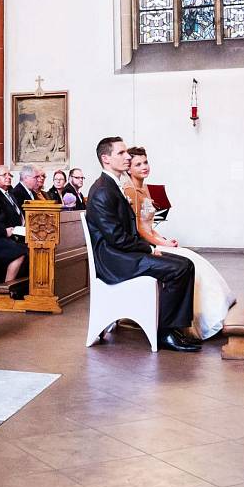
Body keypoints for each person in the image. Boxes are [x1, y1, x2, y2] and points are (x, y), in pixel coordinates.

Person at [84, 136, 200, 352]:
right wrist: (150, 249)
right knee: (178, 269)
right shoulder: (102, 190)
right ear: (105, 158)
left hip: (123, 254)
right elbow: (117, 238)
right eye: (121, 153)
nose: (127, 156)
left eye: (127, 152)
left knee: (186, 264)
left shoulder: (113, 184)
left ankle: (175, 328)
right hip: (113, 260)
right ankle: (165, 333)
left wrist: (152, 248)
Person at [125, 145, 235, 340]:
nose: (144, 167)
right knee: (190, 263)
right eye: (138, 164)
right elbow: (139, 230)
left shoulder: (146, 188)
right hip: (143, 246)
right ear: (129, 169)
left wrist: (163, 240)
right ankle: (189, 321)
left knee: (194, 259)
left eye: (146, 162)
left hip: (153, 240)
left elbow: (150, 226)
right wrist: (161, 244)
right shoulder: (130, 190)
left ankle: (209, 313)